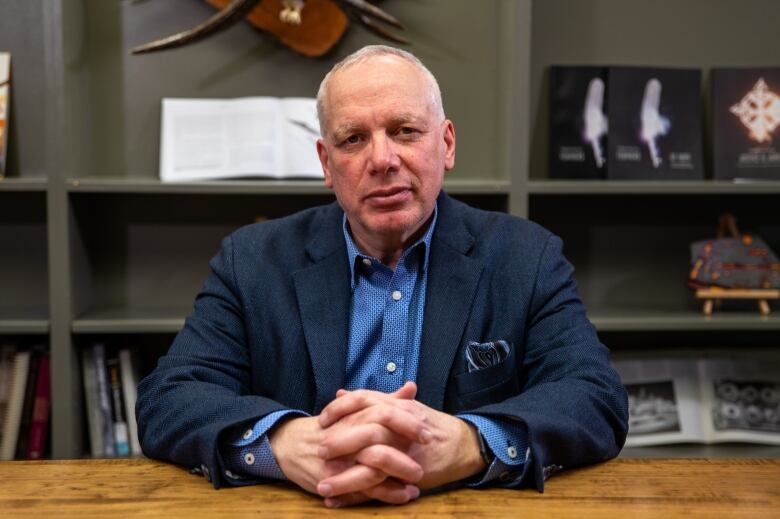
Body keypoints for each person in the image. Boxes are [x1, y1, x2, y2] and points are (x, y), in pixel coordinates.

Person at [136, 45, 628, 508]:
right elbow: (169, 396)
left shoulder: (527, 256)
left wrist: (470, 443)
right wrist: (283, 444)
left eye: (405, 131)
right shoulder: (252, 259)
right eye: (353, 139)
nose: (382, 159)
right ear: (327, 164)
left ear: (447, 144)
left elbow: (594, 396)